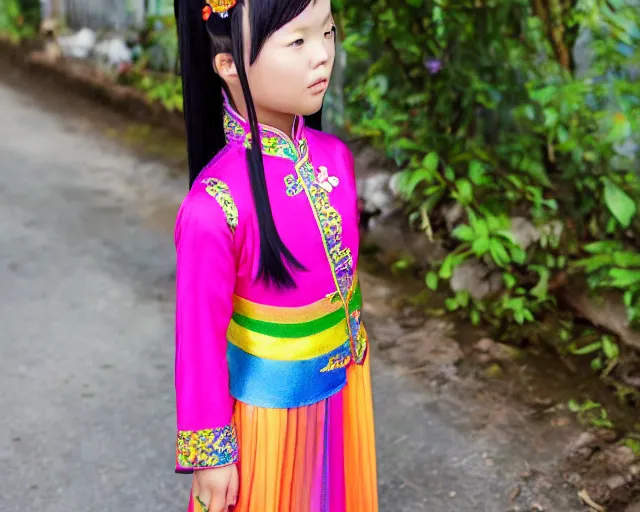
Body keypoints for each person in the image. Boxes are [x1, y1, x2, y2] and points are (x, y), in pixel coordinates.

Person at [173, 0, 378, 510]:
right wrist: (212, 455)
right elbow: (197, 339)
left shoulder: (336, 159)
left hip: (346, 386)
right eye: (298, 41)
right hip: (269, 416)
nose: (323, 56)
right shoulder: (213, 206)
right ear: (227, 65)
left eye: (327, 32)